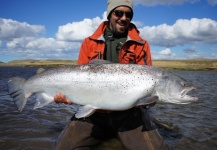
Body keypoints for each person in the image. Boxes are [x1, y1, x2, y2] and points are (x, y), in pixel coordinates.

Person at [53, 0, 168, 149]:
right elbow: (78, 78)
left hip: (130, 113)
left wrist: (152, 98)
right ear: (109, 15)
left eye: (128, 14)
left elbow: (149, 79)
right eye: (118, 13)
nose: (124, 17)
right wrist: (65, 96)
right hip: (93, 114)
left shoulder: (141, 44)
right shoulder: (88, 42)